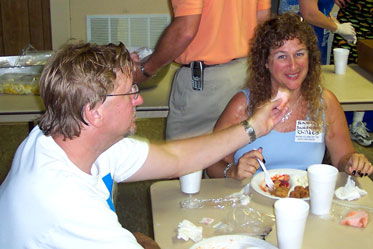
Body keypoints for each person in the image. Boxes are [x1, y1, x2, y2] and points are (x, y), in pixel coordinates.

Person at [0, 42, 288, 248]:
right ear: (94, 112)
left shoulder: (61, 135)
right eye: (130, 93)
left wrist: (254, 128)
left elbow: (175, 157)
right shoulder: (67, 205)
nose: (138, 99)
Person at [206, 13, 373, 181]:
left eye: (299, 54)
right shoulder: (243, 105)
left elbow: (343, 158)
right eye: (282, 56)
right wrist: (232, 171)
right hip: (249, 202)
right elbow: (212, 163)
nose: (293, 65)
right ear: (265, 62)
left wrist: (353, 161)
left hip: (304, 201)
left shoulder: (325, 103)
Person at [132, 0, 271, 140]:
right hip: (245, 71)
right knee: (231, 147)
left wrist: (146, 69)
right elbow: (262, 20)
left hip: (206, 85)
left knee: (184, 154)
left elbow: (185, 30)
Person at [331, 0, 373, 147]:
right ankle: (330, 126)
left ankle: (356, 124)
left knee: (370, 72)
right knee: (340, 70)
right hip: (351, 15)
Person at [278, 0, 356, 64]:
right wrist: (338, 28)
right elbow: (309, 12)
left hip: (316, 41)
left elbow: (322, 10)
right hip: (296, 41)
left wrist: (337, 25)